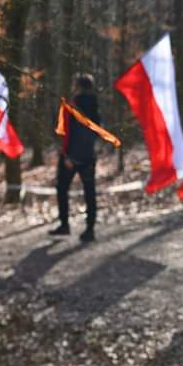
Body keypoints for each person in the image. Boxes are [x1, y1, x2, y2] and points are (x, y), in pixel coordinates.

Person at [51, 74, 102, 242]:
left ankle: (65, 224)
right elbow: (95, 133)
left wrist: (68, 156)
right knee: (89, 191)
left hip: (72, 156)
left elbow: (72, 133)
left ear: (78, 86)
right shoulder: (95, 107)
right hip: (88, 155)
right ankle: (90, 228)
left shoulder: (73, 106)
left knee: (62, 188)